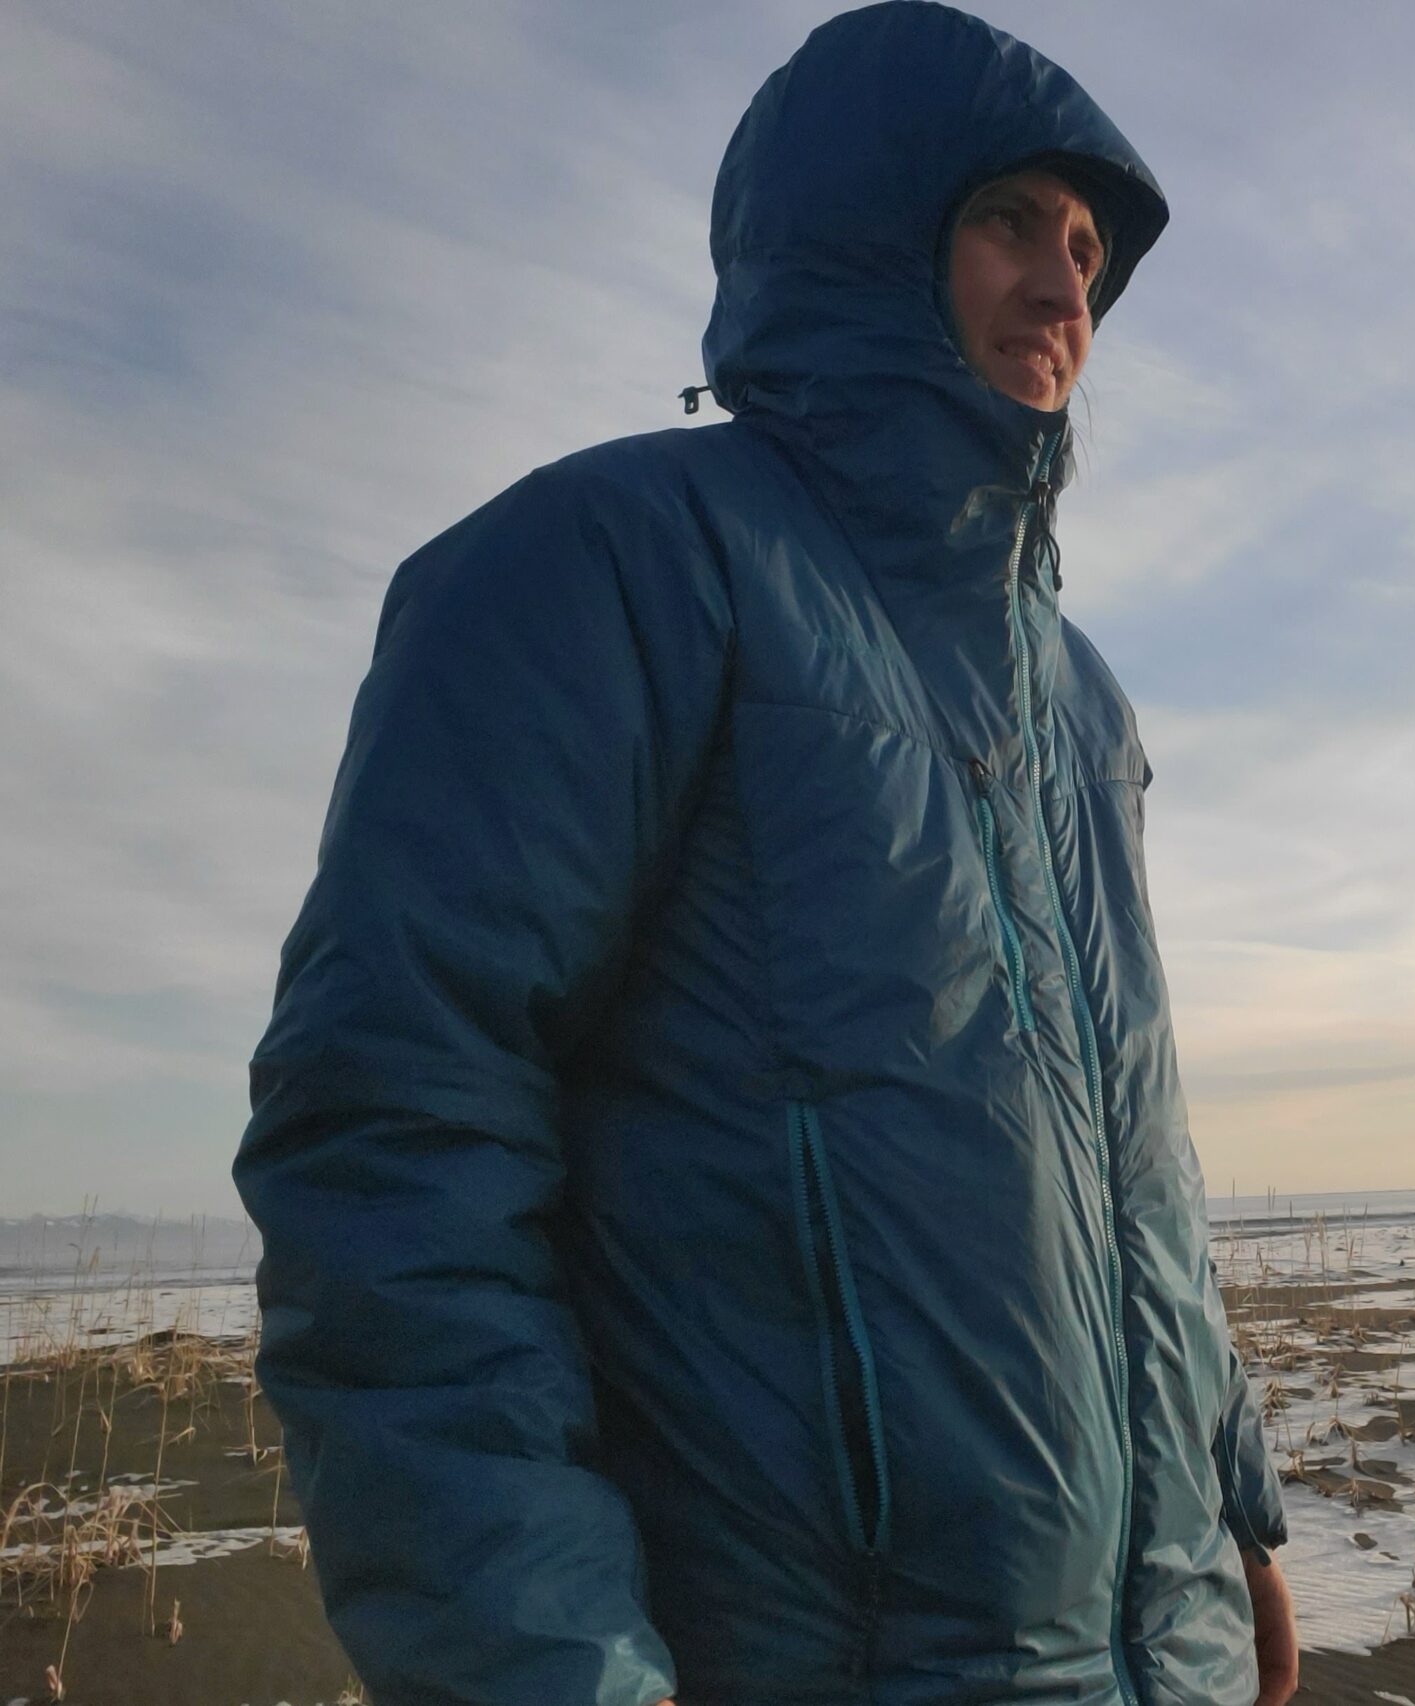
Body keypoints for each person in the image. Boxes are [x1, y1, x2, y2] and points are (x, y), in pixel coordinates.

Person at [233, 6, 1296, 1703]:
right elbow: (395, 1143)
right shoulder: (618, 562)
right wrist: (550, 1665)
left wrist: (1225, 1528)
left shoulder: (1081, 702)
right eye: (1009, 220)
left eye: (1089, 250)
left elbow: (1128, 1163)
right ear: (870, 234)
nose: (1067, 289)